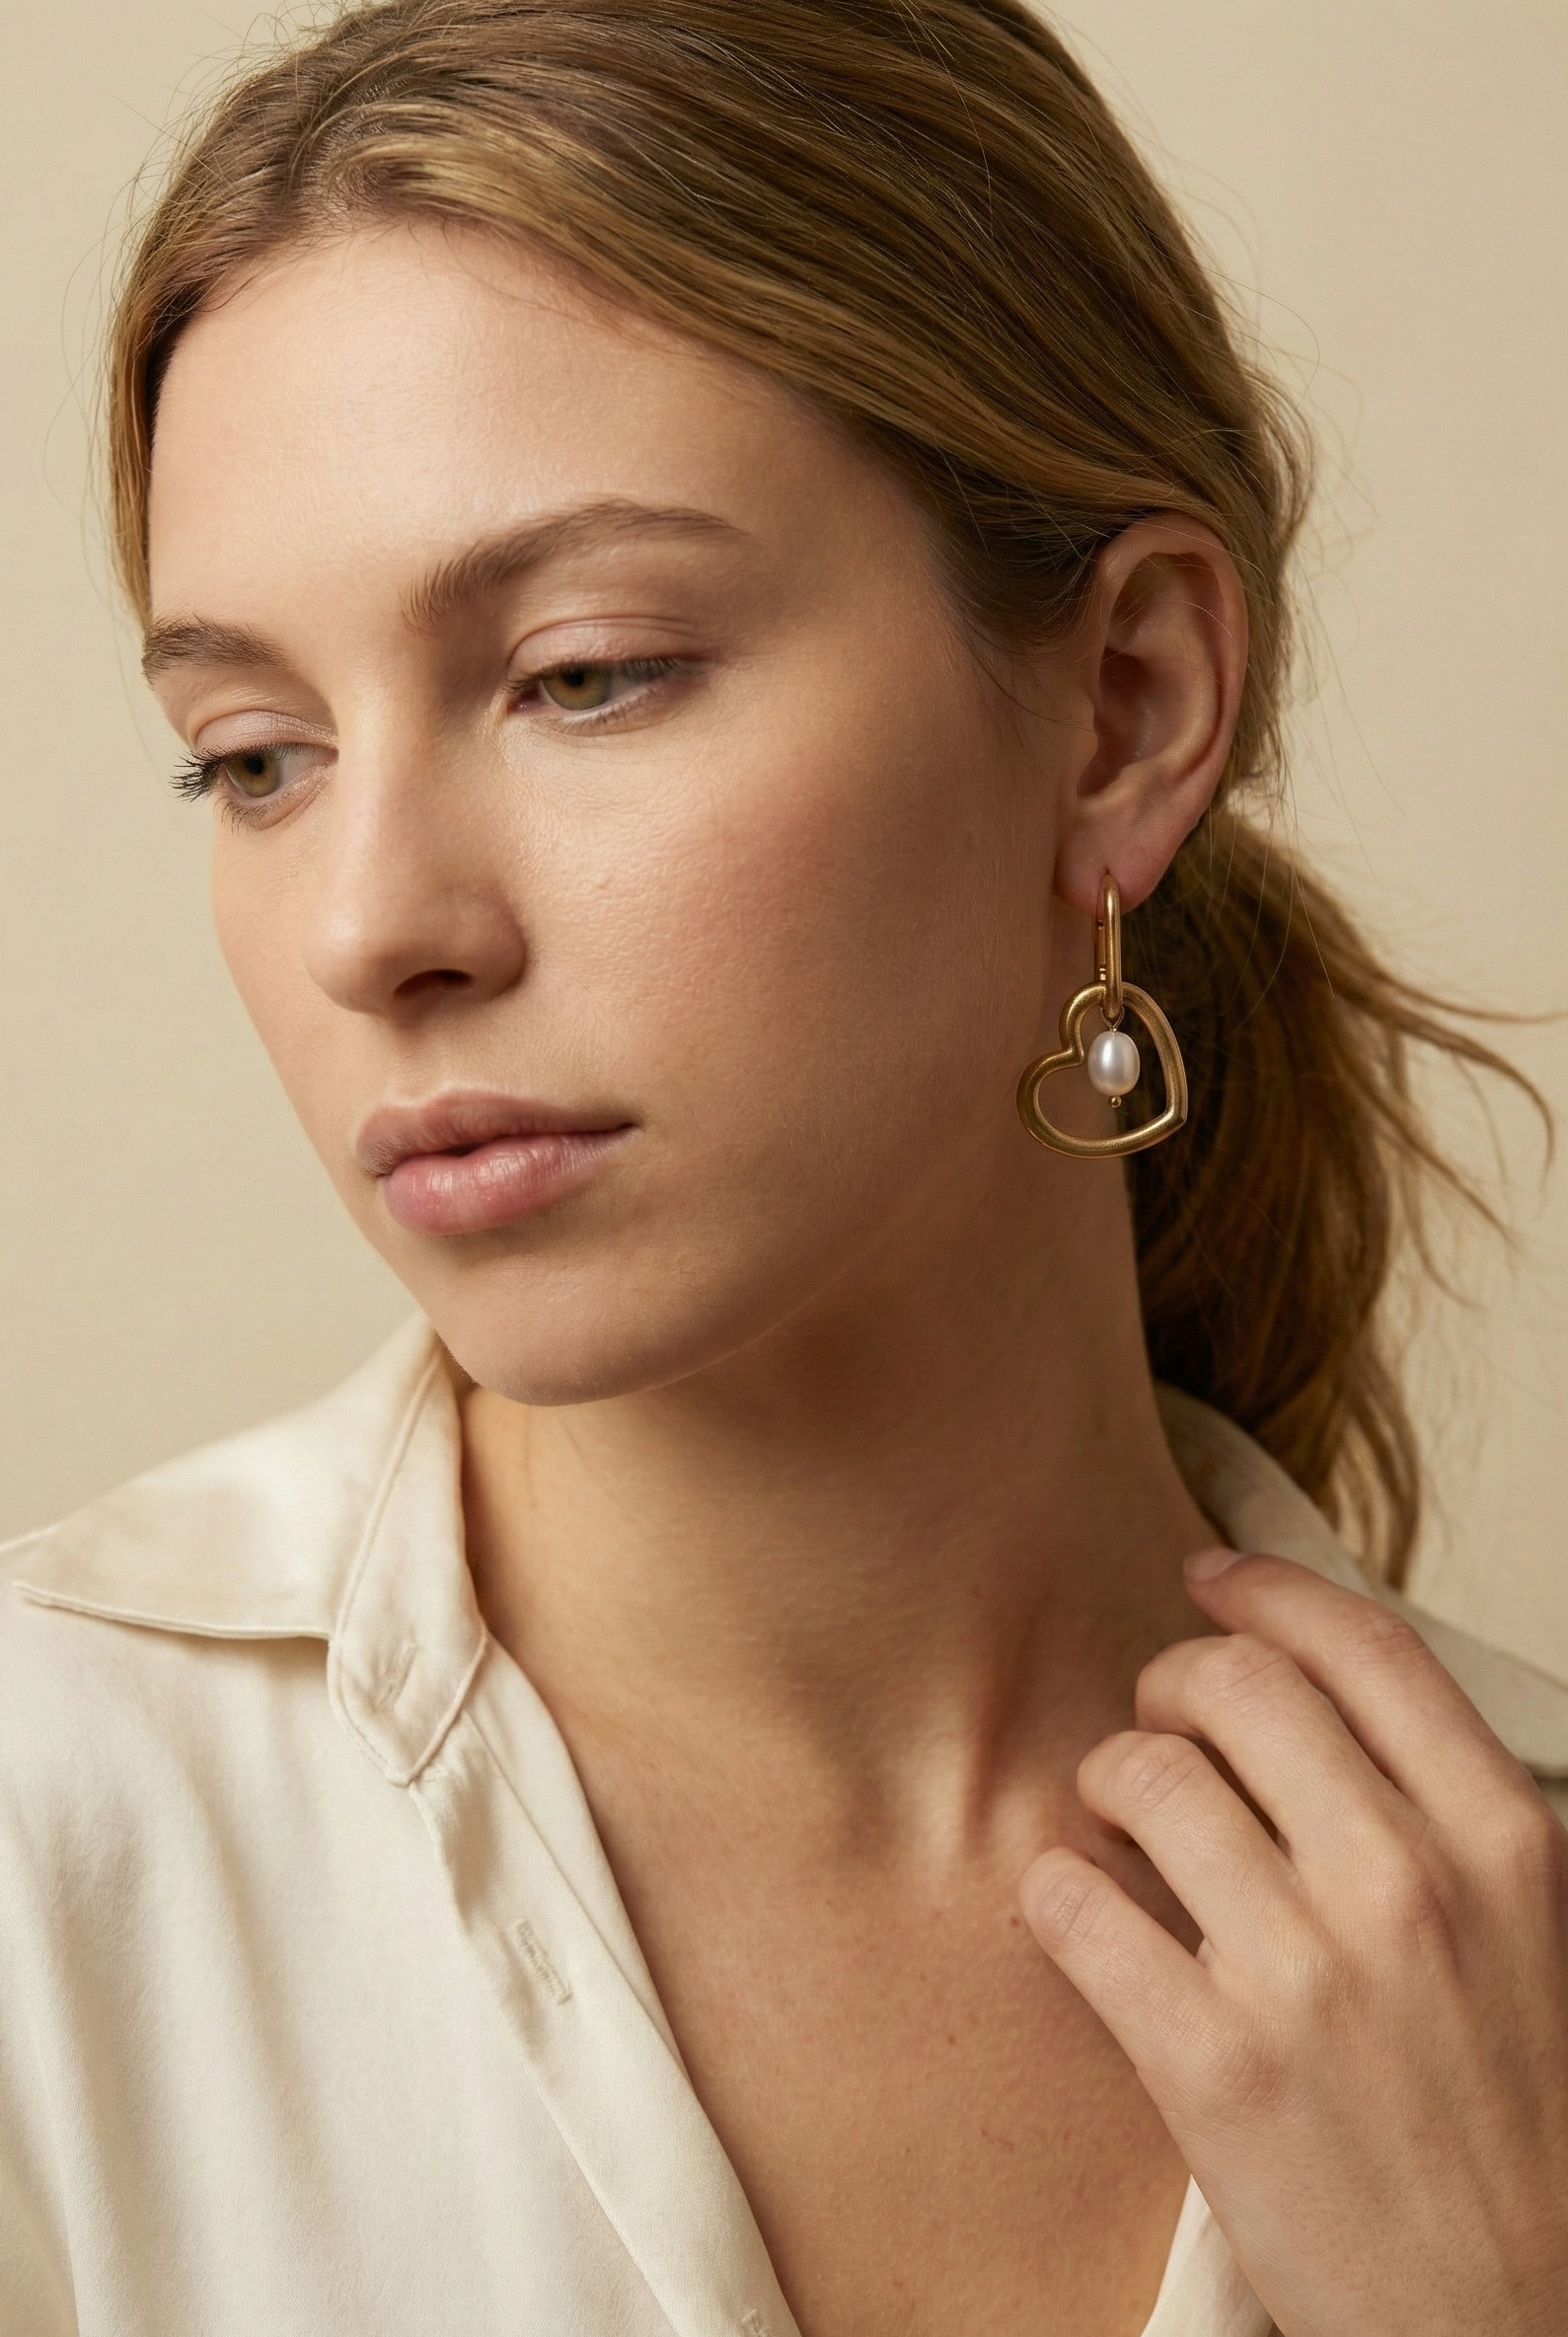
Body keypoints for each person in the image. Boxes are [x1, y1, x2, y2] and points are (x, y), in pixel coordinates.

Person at [3, 2, 1565, 2330]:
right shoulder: (52, 1859)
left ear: (1124, 706)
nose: (371, 927)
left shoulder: (1513, 1941)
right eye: (251, 754)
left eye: (585, 672)